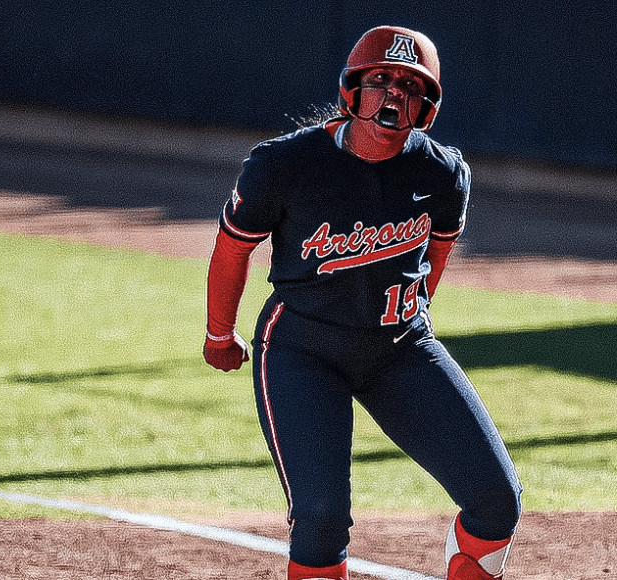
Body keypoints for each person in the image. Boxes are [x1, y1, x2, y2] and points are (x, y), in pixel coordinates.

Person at [203, 25, 522, 580]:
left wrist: (408, 317)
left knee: (497, 501)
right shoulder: (284, 164)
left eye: (410, 86)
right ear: (352, 89)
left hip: (399, 349)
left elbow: (435, 258)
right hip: (303, 350)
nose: (393, 96)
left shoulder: (442, 172)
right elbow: (232, 249)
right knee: (322, 518)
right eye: (380, 80)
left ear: (428, 106)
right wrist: (218, 334)